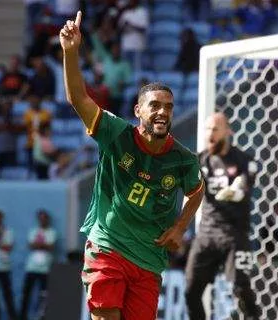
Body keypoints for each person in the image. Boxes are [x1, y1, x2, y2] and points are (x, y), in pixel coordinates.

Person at [59, 11, 205, 320]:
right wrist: (71, 53)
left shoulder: (183, 159)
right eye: (155, 105)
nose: (162, 111)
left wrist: (180, 226)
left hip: (148, 259)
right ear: (138, 110)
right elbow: (78, 99)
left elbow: (197, 191)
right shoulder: (116, 134)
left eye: (168, 106)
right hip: (108, 247)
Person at [185, 113, 260, 320]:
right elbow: (188, 191)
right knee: (191, 292)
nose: (210, 134)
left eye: (215, 129)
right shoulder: (200, 161)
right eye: (208, 129)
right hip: (206, 235)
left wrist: (236, 189)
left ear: (228, 132)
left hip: (234, 236)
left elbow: (244, 184)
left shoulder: (245, 160)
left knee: (241, 290)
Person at [19, 209, 57, 320]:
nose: (43, 220)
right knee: (26, 294)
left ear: (47, 220)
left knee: (44, 295)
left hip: (45, 269)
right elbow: (31, 245)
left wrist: (39, 244)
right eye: (41, 218)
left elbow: (51, 247)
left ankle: (42, 316)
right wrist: (43, 245)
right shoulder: (33, 231)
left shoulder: (52, 232)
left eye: (44, 218)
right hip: (31, 268)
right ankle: (22, 316)